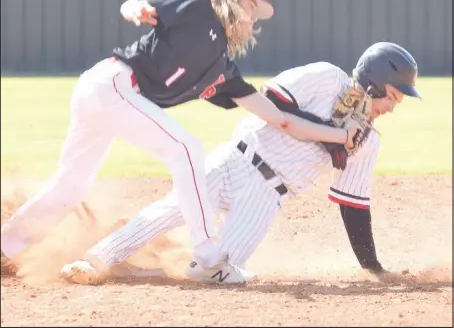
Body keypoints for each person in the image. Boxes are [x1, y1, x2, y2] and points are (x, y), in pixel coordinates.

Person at [0, 0, 357, 276]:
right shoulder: (199, 9)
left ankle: (6, 246)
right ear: (230, 0)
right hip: (111, 84)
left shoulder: (223, 69)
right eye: (251, 7)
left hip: (116, 98)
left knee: (72, 185)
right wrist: (136, 10)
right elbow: (136, 6)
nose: (253, 19)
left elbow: (278, 119)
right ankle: (207, 253)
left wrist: (340, 135)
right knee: (187, 148)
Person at [59, 41, 421, 285]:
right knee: (170, 209)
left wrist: (372, 267)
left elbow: (352, 205)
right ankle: (97, 260)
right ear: (373, 83)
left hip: (266, 196)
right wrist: (329, 131)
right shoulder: (327, 77)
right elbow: (271, 102)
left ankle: (149, 269)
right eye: (391, 95)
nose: (391, 107)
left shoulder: (367, 142)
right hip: (236, 157)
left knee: (212, 273)